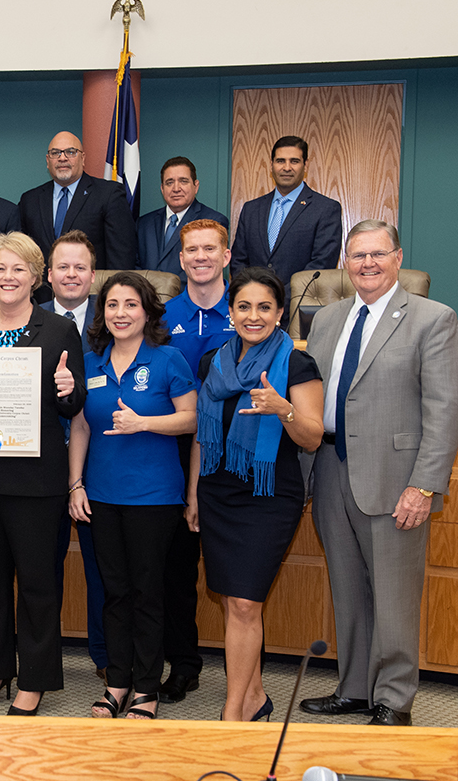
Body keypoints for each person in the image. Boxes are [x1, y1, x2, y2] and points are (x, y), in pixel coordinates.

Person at [300, 220, 458, 727]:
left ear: (398, 258)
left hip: (396, 479)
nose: (367, 263)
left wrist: (424, 484)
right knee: (347, 588)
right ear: (345, 263)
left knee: (393, 594)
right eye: (358, 255)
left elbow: (444, 410)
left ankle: (393, 698)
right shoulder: (326, 319)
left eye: (378, 254)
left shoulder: (433, 319)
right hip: (329, 469)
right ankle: (354, 688)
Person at [0, 232, 86, 716]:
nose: (8, 278)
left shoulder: (58, 330)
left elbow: (73, 404)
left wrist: (69, 389)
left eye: (18, 270)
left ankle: (33, 680)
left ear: (36, 277)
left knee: (36, 581)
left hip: (36, 480)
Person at [187, 266, 324, 721]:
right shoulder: (213, 362)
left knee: (246, 601)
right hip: (218, 489)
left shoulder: (297, 363)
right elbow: (203, 436)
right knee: (231, 599)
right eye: (243, 306)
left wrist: (283, 408)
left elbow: (312, 436)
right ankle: (254, 696)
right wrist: (193, 496)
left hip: (269, 494)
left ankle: (232, 715)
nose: (253, 315)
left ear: (280, 312)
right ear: (230, 311)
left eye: (265, 306)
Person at [68, 271, 197, 720]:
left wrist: (144, 422)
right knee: (114, 593)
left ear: (147, 312)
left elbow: (191, 420)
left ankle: (147, 688)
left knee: (147, 593)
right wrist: (75, 484)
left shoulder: (169, 360)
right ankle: (117, 682)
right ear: (102, 313)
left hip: (154, 497)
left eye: (130, 305)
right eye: (112, 305)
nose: (120, 313)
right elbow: (81, 425)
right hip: (101, 495)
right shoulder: (92, 361)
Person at [156, 219, 236, 705]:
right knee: (176, 572)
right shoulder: (163, 316)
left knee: (236, 577)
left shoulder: (249, 309)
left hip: (237, 458)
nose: (201, 257)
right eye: (192, 250)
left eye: (210, 249)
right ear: (181, 259)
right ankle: (183, 663)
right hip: (176, 454)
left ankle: (247, 677)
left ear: (226, 256)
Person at [39, 230, 106, 679]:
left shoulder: (117, 316)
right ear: (48, 274)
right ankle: (43, 660)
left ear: (93, 275)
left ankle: (107, 657)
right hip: (40, 464)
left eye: (80, 266)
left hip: (100, 462)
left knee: (105, 568)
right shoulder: (28, 317)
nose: (71, 274)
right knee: (43, 567)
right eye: (63, 266)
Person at [229, 136, 343, 296]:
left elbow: (321, 265)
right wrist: (254, 296)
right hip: (254, 308)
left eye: (294, 161)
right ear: (272, 165)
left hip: (298, 308)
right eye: (280, 161)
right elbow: (238, 261)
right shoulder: (251, 209)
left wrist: (279, 300)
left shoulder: (326, 209)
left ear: (305, 165)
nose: (287, 167)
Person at [18, 132, 138, 272]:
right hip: (41, 292)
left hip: (91, 291)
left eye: (70, 152)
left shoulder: (109, 195)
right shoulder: (30, 200)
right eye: (55, 153)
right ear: (47, 160)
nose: (62, 158)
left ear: (83, 158)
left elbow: (122, 258)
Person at [136, 157, 229, 279]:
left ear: (196, 186)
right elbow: (136, 267)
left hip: (189, 296)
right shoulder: (144, 223)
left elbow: (209, 269)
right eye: (169, 183)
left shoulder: (213, 221)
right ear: (162, 189)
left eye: (183, 181)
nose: (176, 189)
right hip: (146, 296)